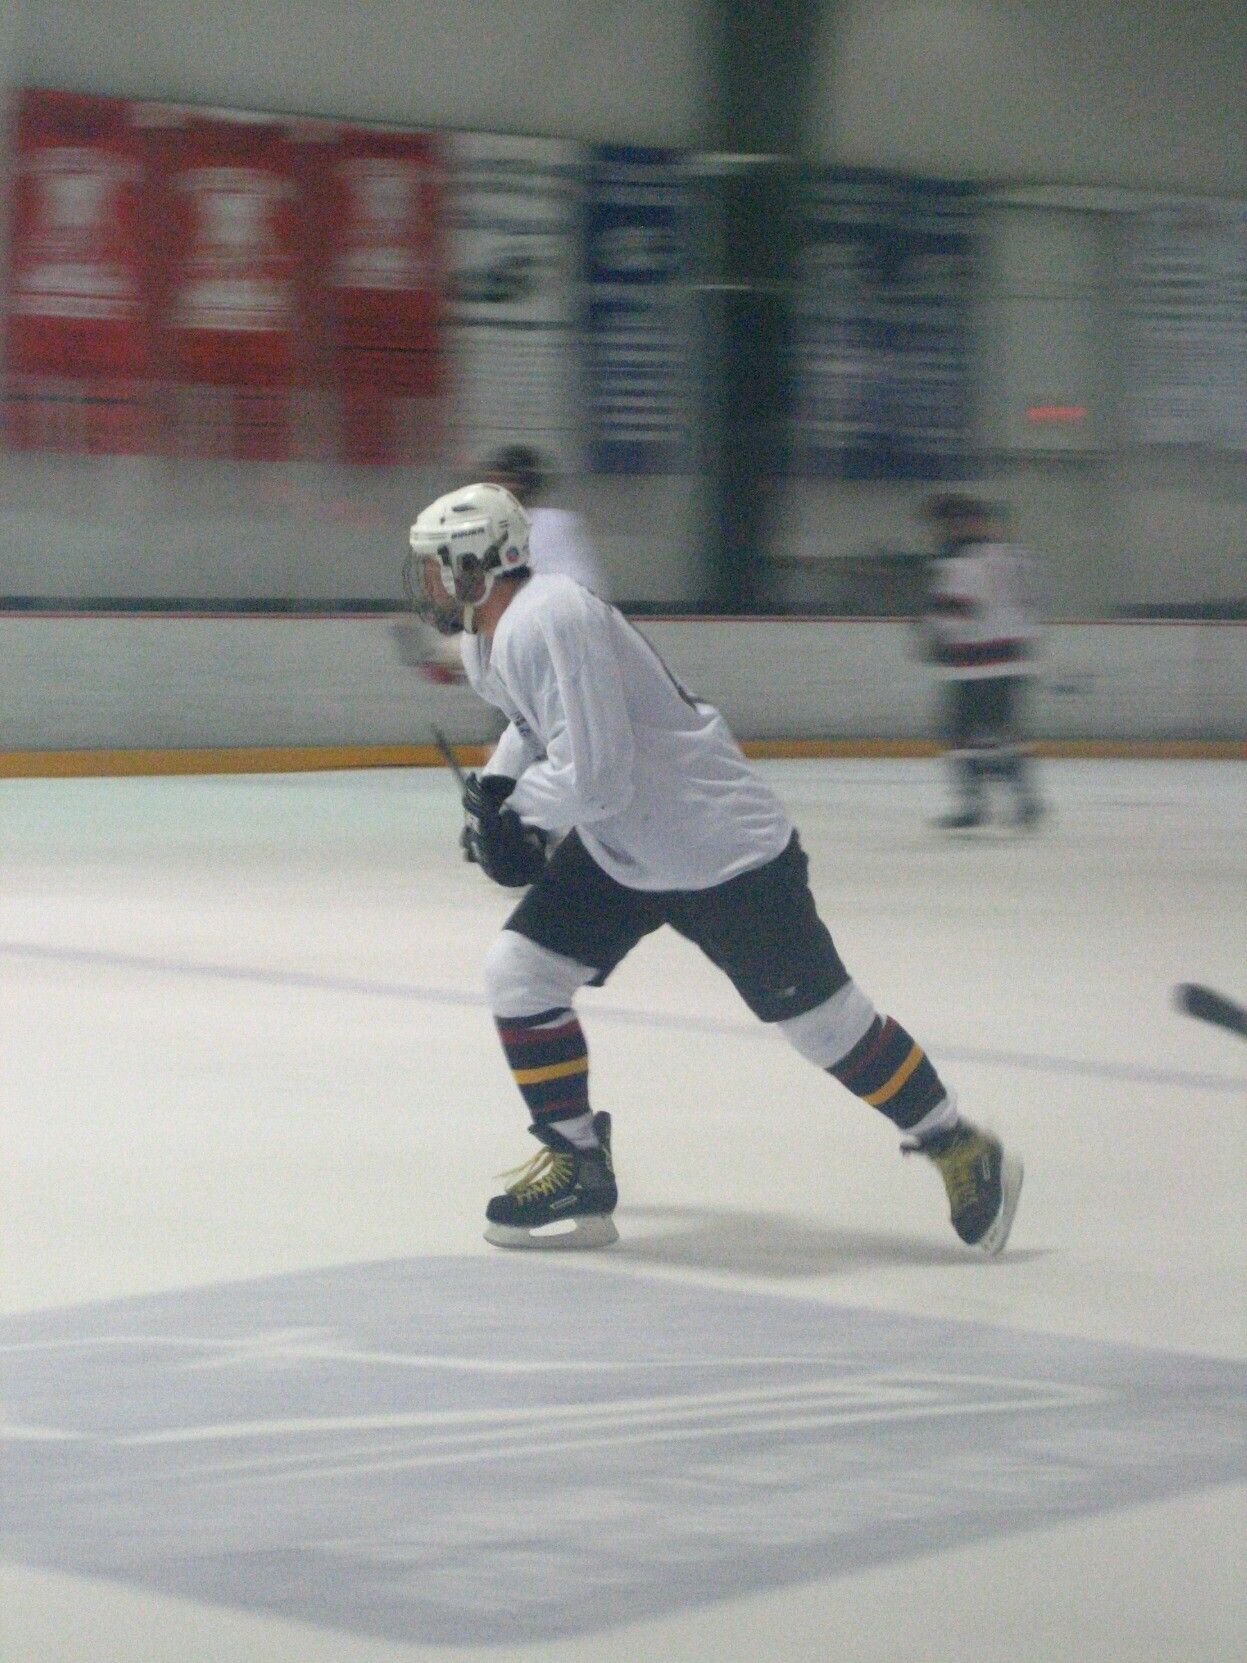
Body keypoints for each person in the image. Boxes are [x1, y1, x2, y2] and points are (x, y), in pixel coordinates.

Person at [406, 481, 1023, 1255]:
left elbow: (598, 773)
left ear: (480, 563)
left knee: (824, 1026)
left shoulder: (550, 616)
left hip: (719, 849)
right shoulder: (486, 637)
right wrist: (498, 787)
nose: (426, 584)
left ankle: (955, 1140)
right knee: (519, 971)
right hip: (624, 849)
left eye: (436, 567)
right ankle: (576, 1163)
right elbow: (538, 729)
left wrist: (522, 815)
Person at [921, 494, 1045, 831]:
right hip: (1014, 658)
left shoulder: (959, 563)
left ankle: (974, 805)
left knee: (961, 735)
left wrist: (935, 636)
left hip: (976, 661)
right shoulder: (1019, 558)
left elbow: (956, 612)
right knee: (1003, 733)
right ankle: (1026, 801)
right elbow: (1028, 607)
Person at [482, 443, 609, 598]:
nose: (498, 490)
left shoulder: (556, 525)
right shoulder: (486, 529)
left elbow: (586, 589)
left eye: (505, 481)